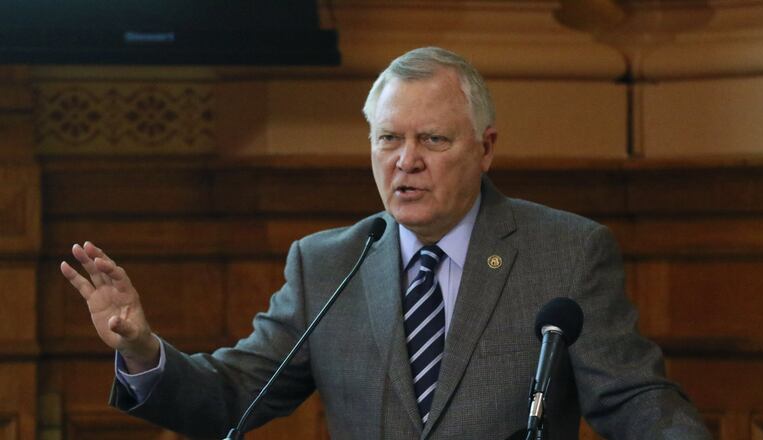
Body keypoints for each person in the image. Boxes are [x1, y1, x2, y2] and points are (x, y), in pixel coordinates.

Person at [61, 47, 711, 439]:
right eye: (388, 139)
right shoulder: (326, 265)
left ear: (485, 148)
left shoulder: (564, 253)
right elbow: (232, 396)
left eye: (433, 139)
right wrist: (143, 348)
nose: (406, 161)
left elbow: (634, 400)